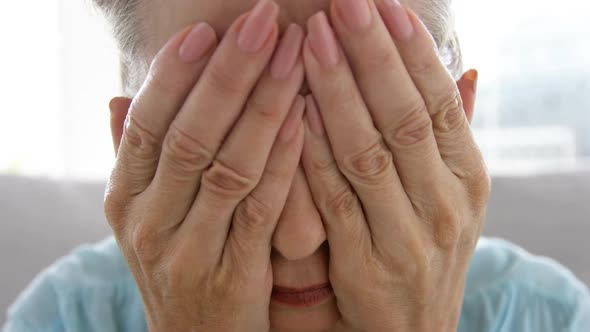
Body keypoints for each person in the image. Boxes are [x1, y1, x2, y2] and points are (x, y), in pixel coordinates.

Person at [3, 0, 590, 331]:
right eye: (225, 141)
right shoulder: (61, 318)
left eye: (360, 140)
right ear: (129, 152)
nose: (297, 236)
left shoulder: (550, 318)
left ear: (453, 133)